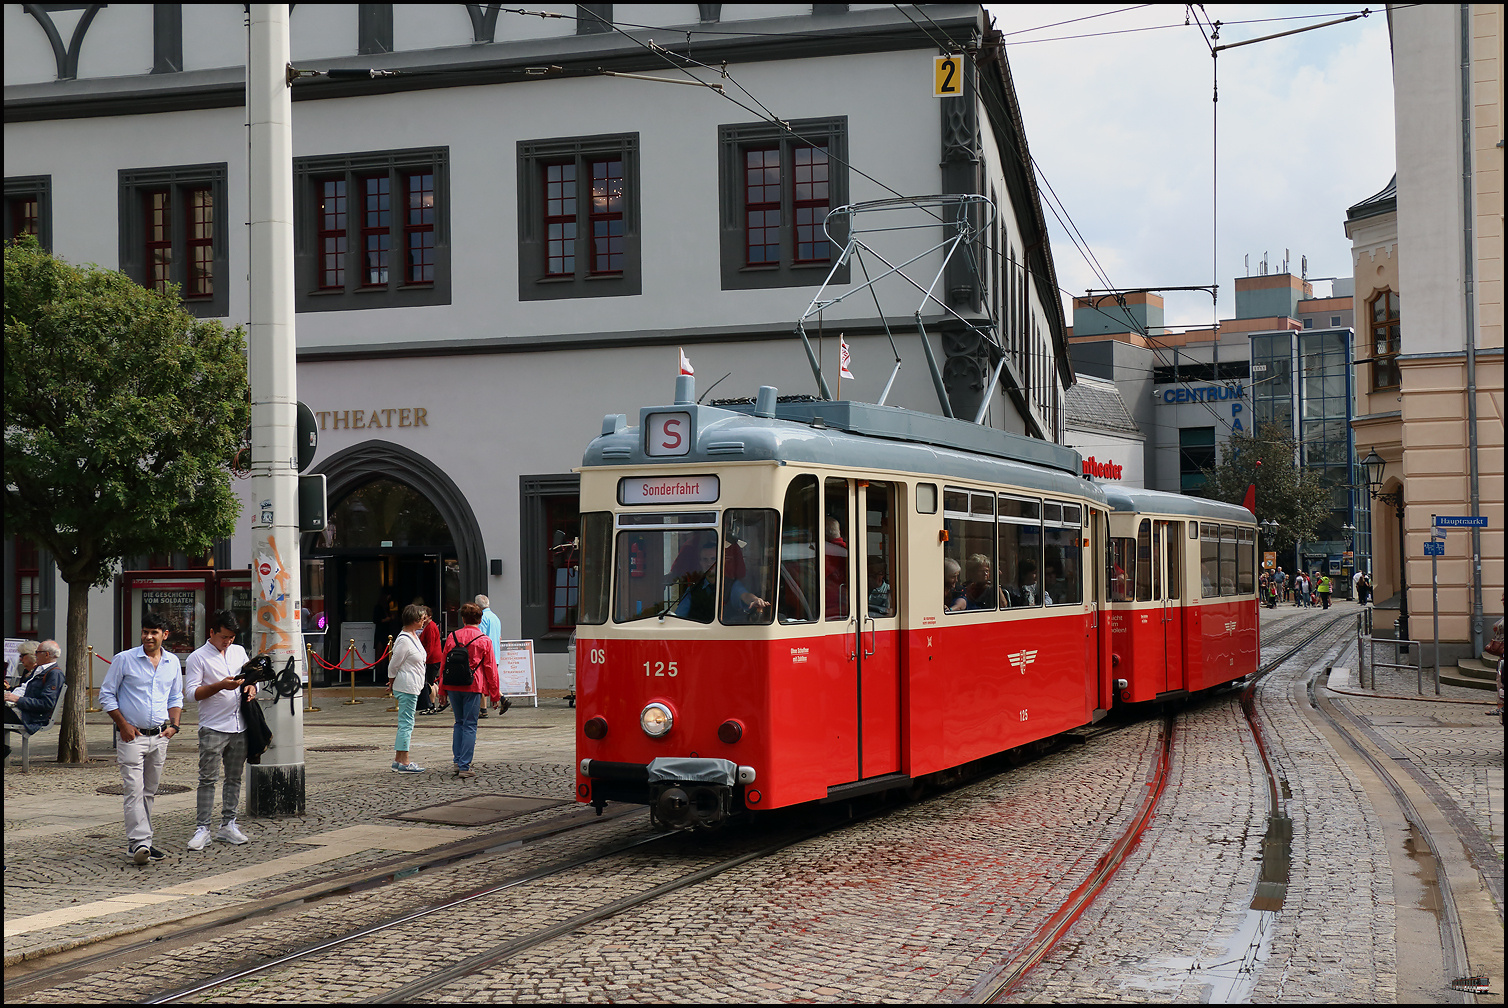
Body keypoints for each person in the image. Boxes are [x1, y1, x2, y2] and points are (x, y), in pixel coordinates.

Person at [99, 614, 184, 864]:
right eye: (145, 631)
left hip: (159, 735)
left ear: (164, 635)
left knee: (149, 791)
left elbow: (175, 697)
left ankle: (141, 841)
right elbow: (106, 695)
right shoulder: (124, 660)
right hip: (132, 736)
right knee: (133, 790)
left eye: (154, 632)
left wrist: (174, 726)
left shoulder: (171, 662)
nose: (148, 636)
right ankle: (139, 843)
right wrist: (122, 725)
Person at [184, 611, 254, 851]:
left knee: (234, 778)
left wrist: (251, 686)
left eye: (232, 637)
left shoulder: (239, 651)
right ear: (212, 632)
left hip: (239, 725)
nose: (228, 642)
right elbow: (191, 694)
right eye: (224, 637)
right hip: (213, 725)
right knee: (208, 779)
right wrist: (220, 686)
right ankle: (203, 828)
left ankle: (229, 824)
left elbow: (248, 677)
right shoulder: (198, 657)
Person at [437, 602, 501, 779]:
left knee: (459, 722)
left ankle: (458, 762)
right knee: (470, 725)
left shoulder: (452, 637)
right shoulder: (484, 640)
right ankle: (465, 765)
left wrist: (442, 691)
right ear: (480, 619)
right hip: (474, 685)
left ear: (463, 619)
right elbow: (490, 670)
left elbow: (444, 664)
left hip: (452, 685)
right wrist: (495, 695)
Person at [674, 538, 770, 622]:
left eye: (713, 559)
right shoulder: (692, 590)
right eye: (705, 559)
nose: (709, 564)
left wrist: (755, 600)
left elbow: (744, 595)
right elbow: (678, 617)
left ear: (721, 561)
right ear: (700, 563)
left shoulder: (731, 586)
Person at [3, 640, 64, 757]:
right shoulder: (40, 670)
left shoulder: (54, 674)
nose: (35, 655)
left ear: (46, 654)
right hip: (20, 709)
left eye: (37, 652)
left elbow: (47, 703)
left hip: (30, 716)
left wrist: (17, 699)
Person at [386, 604, 428, 773]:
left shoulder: (413, 636)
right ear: (414, 620)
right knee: (406, 723)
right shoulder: (404, 639)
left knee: (406, 722)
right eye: (421, 618)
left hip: (413, 684)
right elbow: (393, 664)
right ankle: (405, 761)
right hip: (407, 685)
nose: (424, 621)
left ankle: (398, 759)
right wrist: (391, 681)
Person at [475, 594, 503, 717]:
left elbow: (480, 637)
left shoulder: (483, 618)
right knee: (490, 680)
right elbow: (499, 637)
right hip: (495, 653)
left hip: (485, 654)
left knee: (481, 681)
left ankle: (484, 709)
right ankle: (501, 699)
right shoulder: (495, 617)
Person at [417, 604, 443, 714]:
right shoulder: (429, 626)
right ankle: (437, 703)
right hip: (433, 657)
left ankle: (431, 706)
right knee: (431, 681)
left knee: (429, 682)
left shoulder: (430, 627)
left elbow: (430, 646)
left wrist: (425, 658)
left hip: (432, 658)